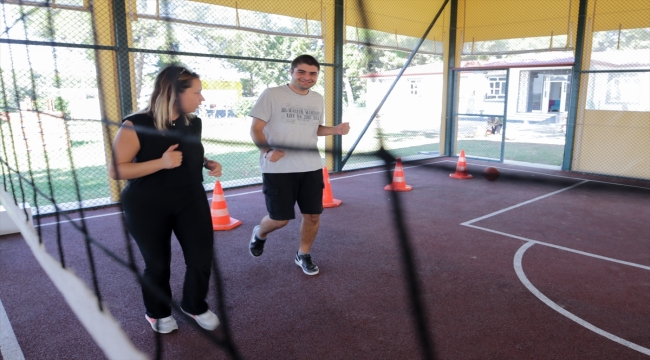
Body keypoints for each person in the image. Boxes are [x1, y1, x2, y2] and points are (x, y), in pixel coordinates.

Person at [109, 65, 222, 334]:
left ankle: (194, 305)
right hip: (147, 204)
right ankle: (156, 312)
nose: (201, 98)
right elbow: (117, 169)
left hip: (190, 199)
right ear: (174, 93)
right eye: (197, 92)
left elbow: (188, 152)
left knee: (200, 257)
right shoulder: (136, 124)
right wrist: (161, 163)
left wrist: (206, 162)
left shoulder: (193, 122)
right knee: (157, 264)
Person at [248, 55, 350, 276]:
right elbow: (256, 128)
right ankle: (259, 233)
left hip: (311, 166)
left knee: (313, 215)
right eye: (301, 72)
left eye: (313, 73)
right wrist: (268, 151)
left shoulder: (317, 98)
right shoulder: (272, 94)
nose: (307, 77)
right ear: (291, 72)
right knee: (279, 219)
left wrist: (335, 129)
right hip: (278, 168)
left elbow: (314, 128)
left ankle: (302, 254)